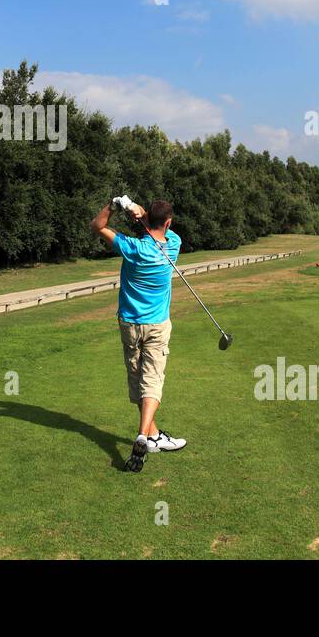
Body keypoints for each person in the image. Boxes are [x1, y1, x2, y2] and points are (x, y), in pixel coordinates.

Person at [91, 198, 188, 472]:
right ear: (167, 223)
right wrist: (144, 216)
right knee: (153, 380)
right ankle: (145, 436)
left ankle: (153, 436)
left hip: (130, 324)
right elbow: (159, 229)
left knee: (137, 378)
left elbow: (97, 226)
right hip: (157, 324)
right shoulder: (174, 245)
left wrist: (116, 204)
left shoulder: (132, 248)